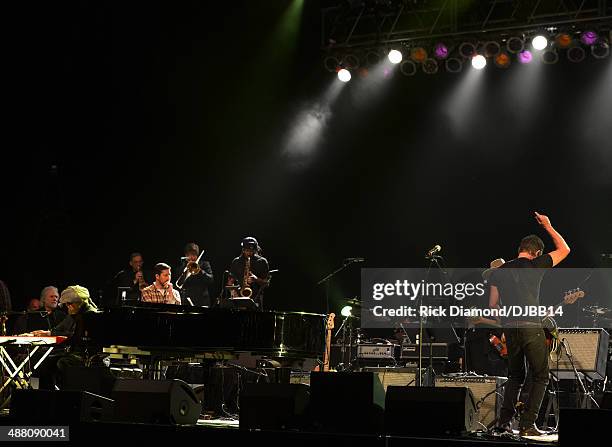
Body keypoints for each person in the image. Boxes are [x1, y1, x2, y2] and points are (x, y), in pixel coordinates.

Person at [490, 212, 570, 436]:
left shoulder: (499, 272)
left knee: (515, 376)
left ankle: (502, 425)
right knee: (541, 375)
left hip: (510, 328)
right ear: (536, 253)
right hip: (529, 326)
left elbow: (493, 305)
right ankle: (527, 425)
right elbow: (565, 250)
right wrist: (549, 226)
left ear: (520, 249)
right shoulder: (536, 264)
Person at [29, 285, 100, 389]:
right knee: (46, 363)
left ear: (80, 302)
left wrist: (51, 334)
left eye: (70, 303)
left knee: (60, 363)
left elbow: (74, 336)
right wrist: (45, 333)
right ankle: (47, 398)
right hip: (72, 352)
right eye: (66, 304)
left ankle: (64, 397)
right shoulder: (73, 314)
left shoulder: (90, 315)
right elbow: (58, 329)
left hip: (85, 355)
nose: (67, 306)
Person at [227, 237, 269, 309]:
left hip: (256, 298)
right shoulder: (236, 261)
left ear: (255, 250)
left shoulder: (262, 262)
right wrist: (233, 292)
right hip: (239, 298)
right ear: (243, 249)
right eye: (246, 250)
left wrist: (256, 279)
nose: (249, 253)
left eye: (251, 250)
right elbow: (230, 281)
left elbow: (266, 283)